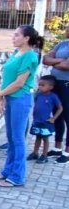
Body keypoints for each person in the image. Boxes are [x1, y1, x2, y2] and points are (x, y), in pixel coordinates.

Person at [0, 26, 42, 187]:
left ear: (27, 38)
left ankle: (17, 176)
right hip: (10, 98)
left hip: (20, 99)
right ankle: (8, 170)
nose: (13, 38)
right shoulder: (16, 53)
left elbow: (20, 83)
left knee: (18, 138)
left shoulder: (30, 56)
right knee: (11, 137)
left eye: (17, 35)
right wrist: (2, 97)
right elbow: (8, 77)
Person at [42, 21, 69, 163]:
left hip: (66, 84)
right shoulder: (62, 44)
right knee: (57, 115)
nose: (66, 29)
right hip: (55, 83)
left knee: (67, 116)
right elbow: (45, 59)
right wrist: (60, 60)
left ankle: (67, 152)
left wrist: (56, 62)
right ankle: (57, 147)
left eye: (68, 28)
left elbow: (67, 66)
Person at [27, 75, 63, 164]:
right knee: (37, 137)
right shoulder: (38, 94)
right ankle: (35, 153)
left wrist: (53, 118)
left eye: (43, 85)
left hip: (46, 122)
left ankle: (44, 155)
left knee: (45, 139)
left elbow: (60, 108)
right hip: (36, 121)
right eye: (39, 85)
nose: (40, 87)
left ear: (51, 87)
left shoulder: (53, 96)